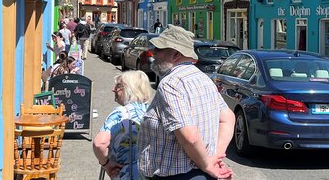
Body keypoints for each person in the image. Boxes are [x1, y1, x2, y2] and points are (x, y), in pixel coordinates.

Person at [137, 25, 235, 180]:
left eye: (159, 49)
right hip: (199, 173)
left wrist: (209, 164)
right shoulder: (203, 78)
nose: (153, 52)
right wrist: (214, 155)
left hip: (178, 175)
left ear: (176, 54)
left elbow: (190, 137)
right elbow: (228, 118)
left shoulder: (170, 83)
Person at [93, 70, 153, 180]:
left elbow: (99, 143)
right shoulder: (152, 111)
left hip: (126, 173)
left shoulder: (121, 113)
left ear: (129, 88)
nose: (113, 89)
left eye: (118, 86)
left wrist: (106, 164)